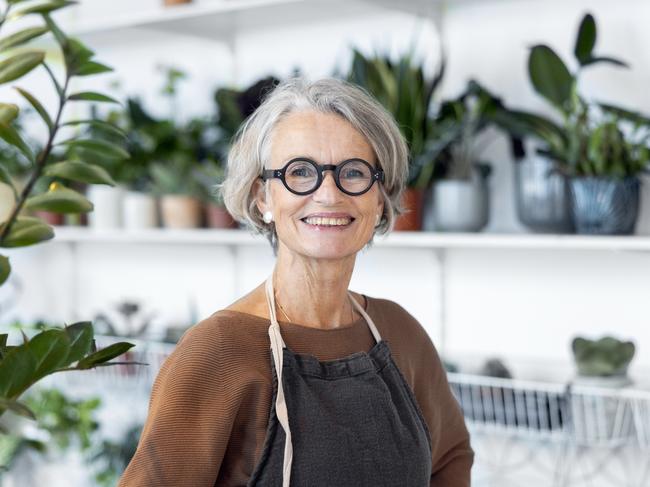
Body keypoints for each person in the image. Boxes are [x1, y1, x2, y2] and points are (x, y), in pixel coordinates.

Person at [118, 77, 473, 486]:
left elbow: (450, 457)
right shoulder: (216, 353)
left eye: (353, 172)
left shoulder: (400, 334)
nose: (328, 195)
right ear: (263, 198)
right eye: (300, 172)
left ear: (380, 197)